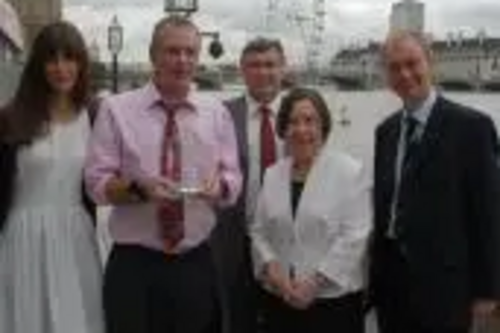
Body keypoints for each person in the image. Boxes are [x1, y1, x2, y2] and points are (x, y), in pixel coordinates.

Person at [85, 15, 242, 333]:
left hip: (195, 263)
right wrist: (138, 189)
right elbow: (96, 185)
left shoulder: (217, 114)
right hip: (134, 266)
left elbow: (234, 178)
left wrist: (220, 187)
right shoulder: (115, 110)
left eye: (190, 52)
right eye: (172, 51)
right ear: (153, 55)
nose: (182, 61)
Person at [370, 31, 500, 333]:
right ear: (386, 76)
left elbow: (489, 214)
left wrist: (488, 291)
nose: (404, 74)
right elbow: (384, 207)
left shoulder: (472, 128)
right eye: (394, 67)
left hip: (445, 290)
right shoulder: (385, 132)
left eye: (412, 63)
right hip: (391, 287)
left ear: (431, 62)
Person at [0, 21, 103, 333]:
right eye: (52, 59)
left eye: (69, 58)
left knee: (76, 318)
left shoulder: (96, 115)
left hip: (76, 236)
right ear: (38, 65)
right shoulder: (9, 119)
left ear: (81, 63)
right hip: (21, 236)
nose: (61, 68)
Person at [250, 87, 371, 333]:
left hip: (332, 304)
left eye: (309, 121)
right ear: (283, 129)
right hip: (279, 298)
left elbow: (355, 237)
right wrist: (270, 265)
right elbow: (258, 230)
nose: (301, 130)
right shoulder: (273, 174)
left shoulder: (350, 171)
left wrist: (314, 284)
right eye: (293, 122)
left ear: (323, 126)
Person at [211, 37, 288, 333]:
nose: (262, 72)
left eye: (270, 64)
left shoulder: (301, 114)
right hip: (234, 239)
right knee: (235, 318)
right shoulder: (222, 114)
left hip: (285, 239)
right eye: (254, 65)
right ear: (242, 71)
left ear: (283, 68)